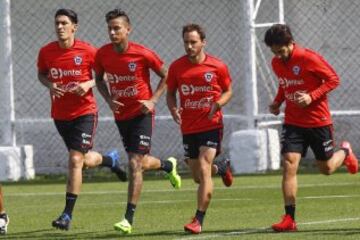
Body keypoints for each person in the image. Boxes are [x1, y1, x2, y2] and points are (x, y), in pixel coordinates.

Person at [37, 9, 127, 231]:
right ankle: (110, 160)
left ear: (74, 27)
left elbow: (102, 75)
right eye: (57, 23)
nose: (59, 27)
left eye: (64, 23)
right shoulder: (46, 52)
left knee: (75, 160)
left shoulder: (87, 51)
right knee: (82, 161)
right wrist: (50, 85)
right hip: (60, 115)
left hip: (85, 113)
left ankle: (66, 215)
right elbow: (42, 74)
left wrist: (88, 84)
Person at [94, 9, 182, 234]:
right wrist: (109, 100)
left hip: (142, 114)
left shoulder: (142, 53)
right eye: (110, 29)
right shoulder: (103, 54)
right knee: (140, 164)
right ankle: (167, 165)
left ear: (128, 29)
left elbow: (167, 75)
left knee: (134, 163)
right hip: (121, 115)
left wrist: (153, 100)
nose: (113, 32)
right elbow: (99, 79)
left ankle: (128, 218)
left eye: (117, 28)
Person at [264, 24, 358, 232]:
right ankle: (289, 219)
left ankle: (345, 151)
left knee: (326, 169)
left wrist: (311, 96)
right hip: (293, 122)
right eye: (274, 52)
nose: (278, 55)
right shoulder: (277, 62)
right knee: (289, 163)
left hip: (318, 122)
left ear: (290, 43)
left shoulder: (308, 58)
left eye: (281, 51)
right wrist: (278, 102)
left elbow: (333, 79)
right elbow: (284, 83)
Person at [167, 23, 233, 234]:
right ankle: (221, 168)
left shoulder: (217, 66)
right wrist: (173, 108)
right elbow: (170, 93)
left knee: (204, 167)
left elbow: (228, 91)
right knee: (197, 176)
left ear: (203, 42)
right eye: (186, 42)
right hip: (189, 127)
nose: (189, 46)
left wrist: (218, 104)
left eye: (193, 42)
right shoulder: (177, 67)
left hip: (211, 124)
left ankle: (198, 219)